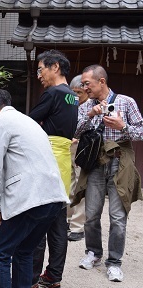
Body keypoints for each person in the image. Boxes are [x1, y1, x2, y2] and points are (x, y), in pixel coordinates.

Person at [0, 88, 69, 288]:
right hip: (53, 195)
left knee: (0, 254)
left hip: (30, 196)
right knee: (25, 250)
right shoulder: (28, 121)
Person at [72, 64, 143, 282]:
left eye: (87, 83)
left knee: (117, 216)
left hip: (120, 163)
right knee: (91, 214)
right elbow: (74, 131)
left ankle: (114, 262)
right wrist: (91, 115)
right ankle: (93, 253)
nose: (84, 87)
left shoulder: (126, 101)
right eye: (82, 84)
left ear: (101, 81)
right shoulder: (86, 105)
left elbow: (140, 131)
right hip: (95, 163)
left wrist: (123, 127)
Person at [28, 49, 78, 288]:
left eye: (41, 69)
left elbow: (30, 121)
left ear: (55, 67)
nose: (39, 75)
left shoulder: (53, 93)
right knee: (58, 223)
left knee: (38, 220)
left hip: (48, 158)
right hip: (64, 160)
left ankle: (32, 279)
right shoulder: (73, 96)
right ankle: (54, 277)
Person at [67, 74, 89, 242]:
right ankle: (69, 220)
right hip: (69, 147)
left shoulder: (92, 106)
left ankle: (77, 226)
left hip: (84, 148)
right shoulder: (71, 104)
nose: (76, 95)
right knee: (69, 184)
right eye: (73, 91)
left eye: (79, 92)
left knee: (81, 187)